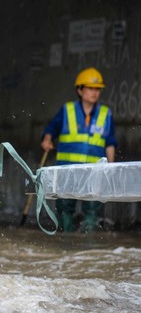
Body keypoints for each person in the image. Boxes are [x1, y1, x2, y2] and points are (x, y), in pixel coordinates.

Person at [41, 67, 117, 233]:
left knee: (92, 212)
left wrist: (111, 168)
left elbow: (110, 142)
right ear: (79, 90)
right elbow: (52, 128)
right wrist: (47, 140)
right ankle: (66, 246)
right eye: (90, 88)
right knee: (64, 209)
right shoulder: (67, 110)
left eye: (97, 89)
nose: (95, 92)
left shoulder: (106, 114)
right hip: (67, 171)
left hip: (94, 173)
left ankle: (85, 251)